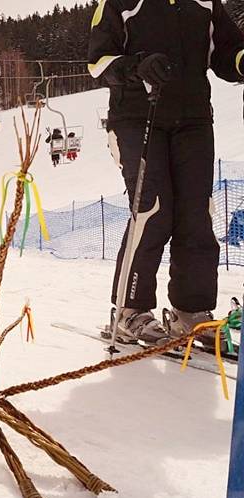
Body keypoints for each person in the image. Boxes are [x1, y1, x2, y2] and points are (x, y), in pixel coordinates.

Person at [88, 0, 244, 345]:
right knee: (152, 210)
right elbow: (98, 62)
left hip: (193, 121)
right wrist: (137, 66)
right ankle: (130, 311)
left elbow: (227, 53)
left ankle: (191, 313)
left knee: (196, 215)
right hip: (137, 117)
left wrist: (241, 60)